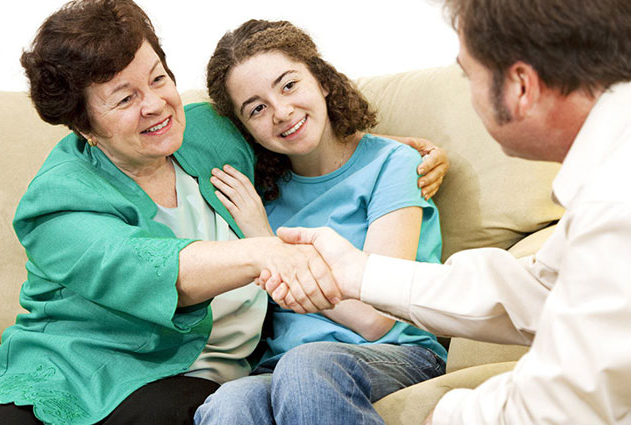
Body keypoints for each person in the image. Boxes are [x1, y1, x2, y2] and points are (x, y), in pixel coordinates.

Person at [0, 2, 447, 424]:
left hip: (322, 359)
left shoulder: (209, 135)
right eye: (124, 98)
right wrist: (264, 249)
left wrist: (393, 151)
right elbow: (147, 267)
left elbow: (299, 126)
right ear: (85, 125)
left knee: (282, 377)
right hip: (81, 364)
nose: (156, 105)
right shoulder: (60, 198)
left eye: (159, 78)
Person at [269, 0, 631, 424]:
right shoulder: (609, 178)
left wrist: (447, 415)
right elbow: (536, 290)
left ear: (520, 86)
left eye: (467, 75)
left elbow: (562, 401)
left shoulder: (614, 203)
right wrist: (360, 273)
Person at [192, 19, 447, 425]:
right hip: (284, 367)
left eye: (289, 85)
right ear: (246, 130)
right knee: (228, 402)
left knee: (307, 366)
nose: (281, 112)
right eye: (256, 108)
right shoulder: (258, 198)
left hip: (399, 353)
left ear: (323, 80)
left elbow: (375, 318)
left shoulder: (392, 165)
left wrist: (266, 242)